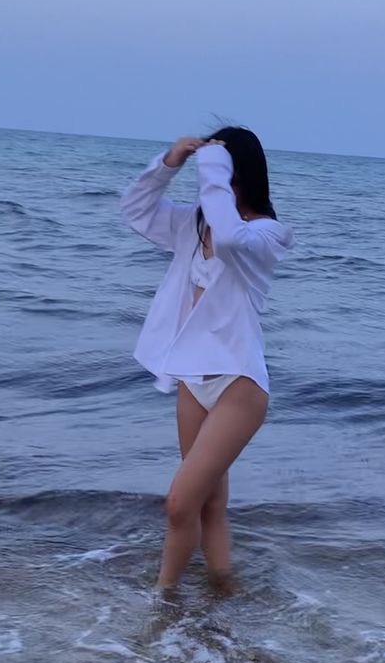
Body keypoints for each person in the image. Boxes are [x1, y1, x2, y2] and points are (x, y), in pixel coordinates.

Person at [120, 128, 293, 594]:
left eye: (216, 169)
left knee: (179, 503)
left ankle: (162, 602)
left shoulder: (267, 233)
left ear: (235, 172)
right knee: (207, 503)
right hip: (191, 379)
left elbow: (232, 238)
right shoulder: (192, 226)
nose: (207, 178)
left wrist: (214, 164)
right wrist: (169, 162)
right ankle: (223, 589)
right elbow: (135, 209)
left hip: (238, 383)